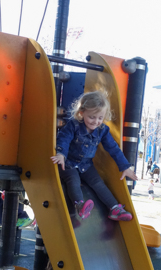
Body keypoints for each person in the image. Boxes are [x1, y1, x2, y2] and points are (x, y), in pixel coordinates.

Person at [51, 90, 138, 221]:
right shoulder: (73, 125)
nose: (96, 121)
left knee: (98, 183)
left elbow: (113, 148)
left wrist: (125, 167)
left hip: (86, 165)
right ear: (82, 113)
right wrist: (61, 154)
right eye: (92, 117)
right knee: (73, 180)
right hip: (68, 163)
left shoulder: (102, 130)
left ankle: (114, 208)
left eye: (100, 118)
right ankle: (80, 206)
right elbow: (64, 139)